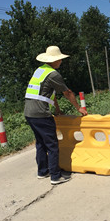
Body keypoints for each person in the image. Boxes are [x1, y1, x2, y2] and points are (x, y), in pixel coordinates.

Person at [24, 46, 88, 185]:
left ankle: (42, 171)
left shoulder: (40, 71)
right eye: (59, 59)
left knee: (41, 143)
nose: (61, 61)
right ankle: (55, 176)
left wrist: (57, 110)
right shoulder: (53, 74)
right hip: (41, 114)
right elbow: (68, 92)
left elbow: (49, 95)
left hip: (29, 113)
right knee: (52, 144)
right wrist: (79, 108)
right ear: (55, 60)